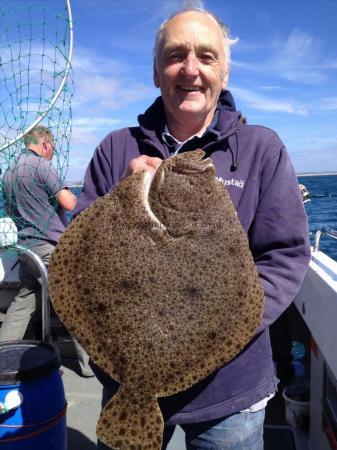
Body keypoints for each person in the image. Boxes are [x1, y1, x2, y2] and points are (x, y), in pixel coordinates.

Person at [74, 7, 311, 450]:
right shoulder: (115, 149)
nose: (191, 69)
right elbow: (79, 256)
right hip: (130, 373)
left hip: (230, 386)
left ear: (224, 71)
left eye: (206, 56)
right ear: (156, 71)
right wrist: (121, 201)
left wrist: (219, 329)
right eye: (176, 55)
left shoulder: (262, 148)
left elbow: (284, 255)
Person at [0, 125, 93, 377]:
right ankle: (89, 366)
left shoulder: (9, 172)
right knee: (75, 303)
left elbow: (12, 209)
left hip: (25, 250)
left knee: (24, 302)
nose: (52, 153)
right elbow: (70, 202)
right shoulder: (41, 165)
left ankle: (2, 355)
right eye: (52, 148)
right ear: (44, 144)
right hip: (50, 249)